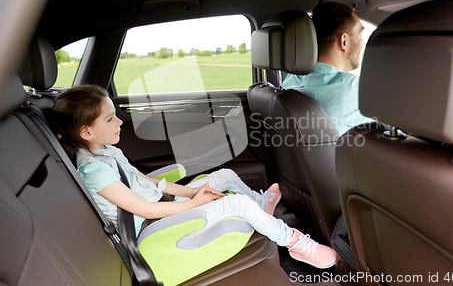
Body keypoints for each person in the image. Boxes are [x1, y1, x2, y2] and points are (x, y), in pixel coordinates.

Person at [46, 84, 337, 269]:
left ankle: (262, 205)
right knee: (237, 205)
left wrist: (190, 192)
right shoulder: (93, 169)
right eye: (110, 119)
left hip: (161, 206)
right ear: (86, 132)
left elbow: (143, 180)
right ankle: (295, 242)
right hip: (150, 227)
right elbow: (145, 209)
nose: (120, 121)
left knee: (223, 175)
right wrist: (195, 203)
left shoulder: (106, 150)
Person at [282, 2, 374, 136]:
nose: (362, 43)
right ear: (344, 41)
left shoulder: (291, 81)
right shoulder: (351, 88)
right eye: (359, 35)